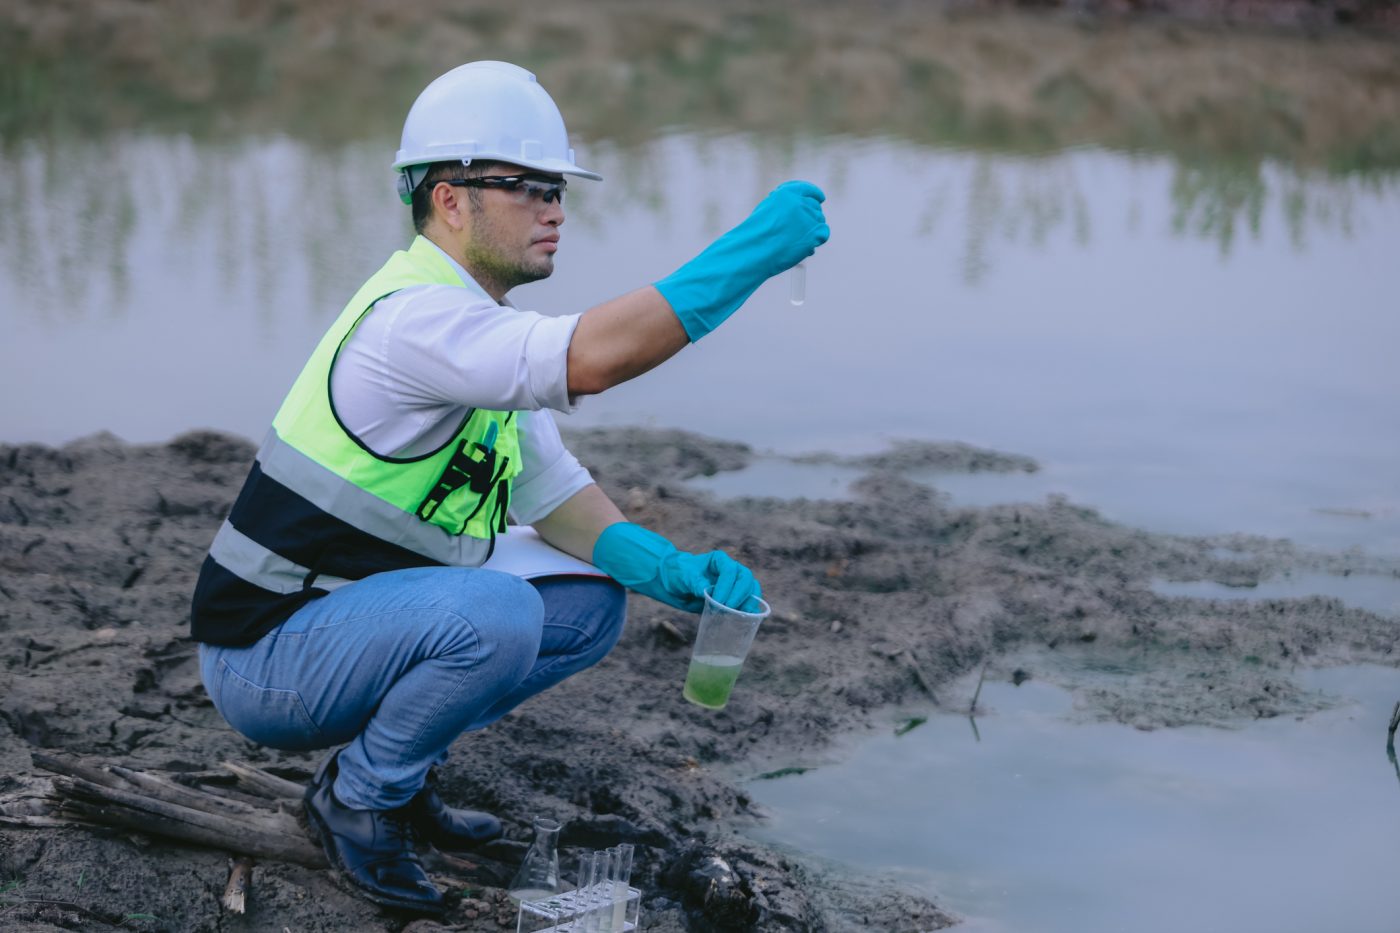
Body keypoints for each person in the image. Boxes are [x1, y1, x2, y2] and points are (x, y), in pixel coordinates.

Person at [189, 60, 829, 915]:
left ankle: (398, 769)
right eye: (526, 186)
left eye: (557, 187)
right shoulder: (415, 319)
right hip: (265, 658)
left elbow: (556, 498)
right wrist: (748, 255)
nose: (555, 207)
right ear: (450, 199)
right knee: (498, 614)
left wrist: (669, 568)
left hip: (344, 620)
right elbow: (592, 360)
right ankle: (359, 798)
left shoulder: (471, 331)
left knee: (590, 597)